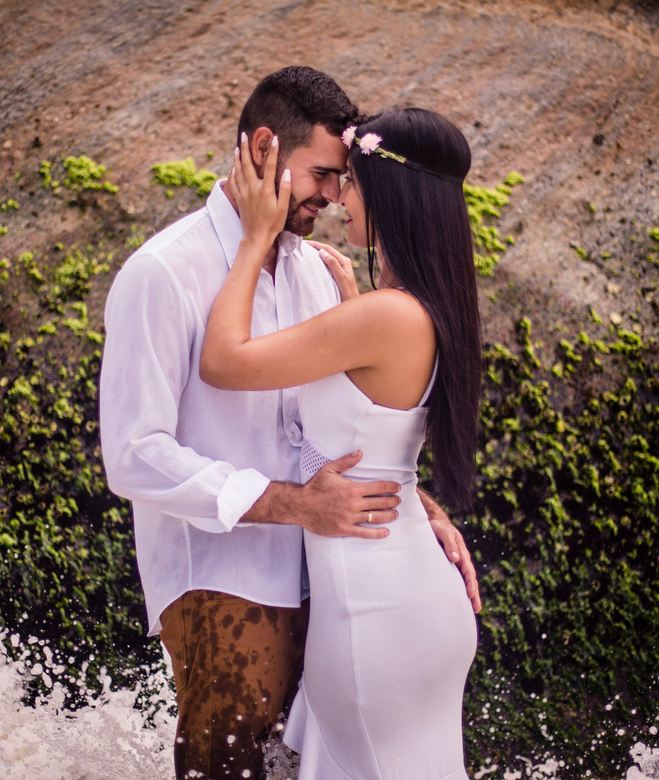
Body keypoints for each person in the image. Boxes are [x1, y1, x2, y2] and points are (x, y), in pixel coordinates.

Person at [99, 68, 479, 780]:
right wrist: (293, 504)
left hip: (329, 584)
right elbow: (133, 454)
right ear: (265, 149)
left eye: (345, 181)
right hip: (224, 581)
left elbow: (336, 426)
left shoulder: (316, 274)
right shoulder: (163, 272)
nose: (335, 198)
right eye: (325, 176)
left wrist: (413, 505)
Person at [200, 107, 481, 779]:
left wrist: (252, 240)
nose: (337, 198)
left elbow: (224, 361)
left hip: (374, 613)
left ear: (391, 194)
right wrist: (431, 512)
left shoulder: (386, 317)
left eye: (351, 181)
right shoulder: (419, 305)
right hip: (401, 594)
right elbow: (376, 432)